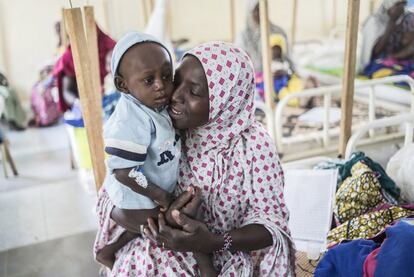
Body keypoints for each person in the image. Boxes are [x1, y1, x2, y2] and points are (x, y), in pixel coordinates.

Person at [94, 41, 295, 276]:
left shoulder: (253, 146)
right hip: (161, 243)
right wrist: (159, 221)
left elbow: (272, 227)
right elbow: (114, 194)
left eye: (194, 91)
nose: (175, 96)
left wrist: (212, 242)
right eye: (176, 82)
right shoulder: (166, 127)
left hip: (226, 251)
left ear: (225, 100)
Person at [94, 32, 182, 269]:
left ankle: (109, 250)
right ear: (123, 85)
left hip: (151, 187)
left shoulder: (156, 103)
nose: (161, 86)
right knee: (165, 222)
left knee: (154, 221)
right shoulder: (131, 119)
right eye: (148, 80)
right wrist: (160, 195)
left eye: (166, 76)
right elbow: (123, 172)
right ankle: (206, 267)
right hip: (135, 193)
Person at [52, 25, 116, 112]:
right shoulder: (69, 57)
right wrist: (78, 103)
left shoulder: (107, 46)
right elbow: (67, 90)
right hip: (84, 105)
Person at [360, 0, 414, 77]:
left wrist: (394, 57)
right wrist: (391, 22)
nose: (401, 8)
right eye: (398, 4)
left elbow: (409, 44)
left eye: (404, 4)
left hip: (400, 61)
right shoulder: (375, 21)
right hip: (378, 62)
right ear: (388, 6)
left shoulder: (408, 18)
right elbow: (376, 51)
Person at [236, 0, 291, 73]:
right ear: (250, 12)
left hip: (278, 78)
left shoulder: (278, 32)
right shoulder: (243, 37)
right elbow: (240, 63)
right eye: (257, 9)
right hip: (255, 80)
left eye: (263, 8)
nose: (261, 13)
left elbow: (289, 59)